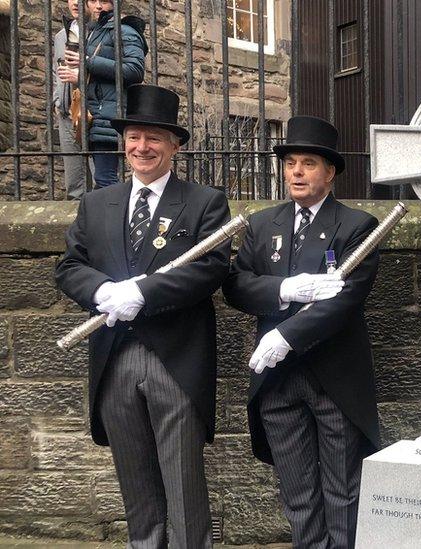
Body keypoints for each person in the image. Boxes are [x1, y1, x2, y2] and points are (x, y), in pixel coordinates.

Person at [54, 84, 230, 548]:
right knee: (135, 480)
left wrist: (144, 292)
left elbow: (210, 269)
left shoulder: (204, 202)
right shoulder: (96, 203)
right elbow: (70, 266)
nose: (142, 147)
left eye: (154, 137)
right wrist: (103, 290)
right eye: (134, 136)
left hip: (175, 357)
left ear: (174, 145)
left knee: (183, 481)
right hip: (114, 357)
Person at [223, 116, 381, 549]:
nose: (296, 171)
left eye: (308, 163)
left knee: (342, 490)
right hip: (276, 380)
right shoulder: (262, 224)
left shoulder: (357, 227)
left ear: (329, 173)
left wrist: (286, 334)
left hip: (333, 379)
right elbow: (236, 286)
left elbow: (345, 300)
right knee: (297, 492)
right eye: (291, 162)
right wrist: (282, 289)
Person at [57, 0, 147, 188]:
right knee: (103, 181)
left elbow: (134, 71)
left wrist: (87, 62)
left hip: (111, 116)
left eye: (104, 1)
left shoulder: (124, 30)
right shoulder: (96, 31)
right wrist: (80, 75)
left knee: (106, 181)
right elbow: (100, 78)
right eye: (93, 1)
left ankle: (116, 217)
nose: (98, 6)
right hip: (97, 116)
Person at [53, 0, 87, 199]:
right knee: (73, 184)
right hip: (67, 114)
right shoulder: (60, 36)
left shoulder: (100, 33)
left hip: (93, 112)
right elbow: (55, 71)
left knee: (100, 180)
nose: (76, 2)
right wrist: (57, 101)